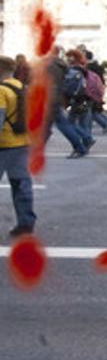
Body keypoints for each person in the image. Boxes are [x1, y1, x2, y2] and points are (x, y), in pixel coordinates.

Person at [0, 56, 35, 237]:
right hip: (22, 142)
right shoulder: (22, 87)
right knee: (21, 184)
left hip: (4, 144)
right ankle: (26, 223)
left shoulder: (1, 91)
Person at [45, 47, 88, 158]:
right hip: (58, 97)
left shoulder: (49, 65)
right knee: (48, 125)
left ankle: (80, 147)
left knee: (62, 124)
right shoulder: (62, 64)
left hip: (50, 98)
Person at [62, 48, 97, 154]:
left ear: (75, 57)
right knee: (81, 123)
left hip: (78, 99)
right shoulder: (82, 69)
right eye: (67, 56)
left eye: (70, 56)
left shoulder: (75, 70)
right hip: (84, 99)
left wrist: (68, 99)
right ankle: (85, 143)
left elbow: (71, 88)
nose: (68, 58)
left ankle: (87, 139)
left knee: (70, 123)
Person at [83, 49, 107, 134]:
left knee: (90, 110)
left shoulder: (88, 68)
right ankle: (105, 122)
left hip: (91, 90)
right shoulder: (97, 66)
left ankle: (104, 123)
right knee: (94, 109)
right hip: (98, 89)